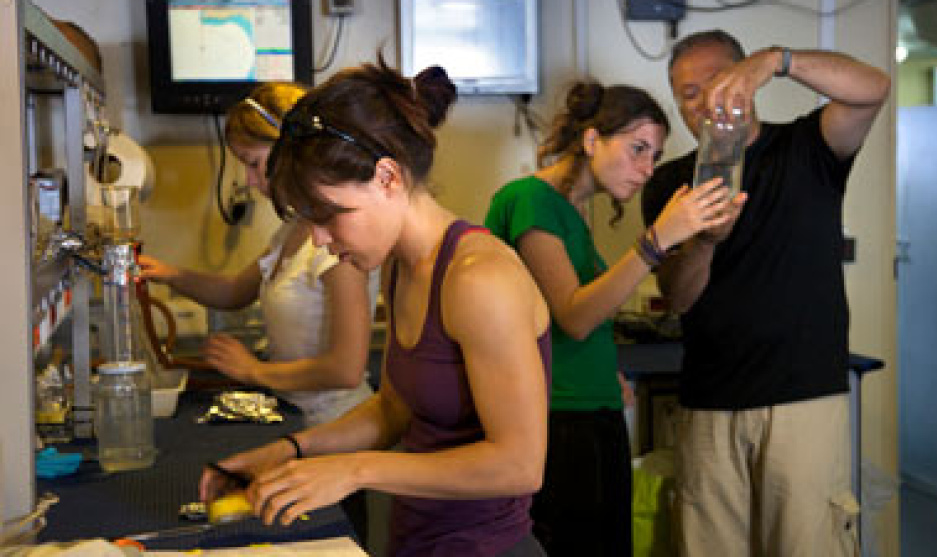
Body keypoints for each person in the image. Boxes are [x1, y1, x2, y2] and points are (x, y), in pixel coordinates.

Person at [199, 57, 553, 557]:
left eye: (329, 216)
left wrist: (353, 470)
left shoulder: (479, 279)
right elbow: (393, 409)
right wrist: (290, 451)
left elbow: (519, 465)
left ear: (387, 177)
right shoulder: (398, 266)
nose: (319, 240)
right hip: (418, 542)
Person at [639, 30, 890, 556]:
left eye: (719, 82)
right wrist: (706, 242)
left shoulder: (807, 146)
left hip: (803, 397)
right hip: (710, 402)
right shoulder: (669, 184)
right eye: (688, 94)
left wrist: (778, 60)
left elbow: (873, 88)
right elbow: (678, 298)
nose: (706, 102)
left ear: (745, 82)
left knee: (807, 546)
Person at [484, 81, 737, 557]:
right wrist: (657, 240)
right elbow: (574, 316)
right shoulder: (530, 199)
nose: (647, 169)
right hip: (558, 418)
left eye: (655, 156)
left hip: (593, 409)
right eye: (638, 149)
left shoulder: (574, 210)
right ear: (591, 140)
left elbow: (576, 320)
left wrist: (606, 369)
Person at [138, 82, 378, 542]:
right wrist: (167, 273)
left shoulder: (334, 241)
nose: (248, 180)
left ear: (292, 153)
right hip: (301, 426)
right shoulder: (292, 231)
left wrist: (254, 371)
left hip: (339, 433)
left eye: (253, 163)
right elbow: (235, 290)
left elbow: (346, 368)